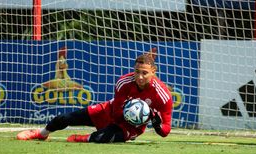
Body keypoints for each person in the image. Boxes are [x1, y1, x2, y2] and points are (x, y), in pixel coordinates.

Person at [17, 47, 173, 143]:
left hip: (130, 127)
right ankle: (41, 134)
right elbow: (116, 112)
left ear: (154, 72)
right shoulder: (124, 82)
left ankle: (84, 138)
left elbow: (165, 131)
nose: (139, 77)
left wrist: (155, 123)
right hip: (110, 111)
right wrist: (129, 109)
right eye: (137, 72)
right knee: (65, 118)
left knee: (102, 138)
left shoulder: (163, 95)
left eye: (144, 73)